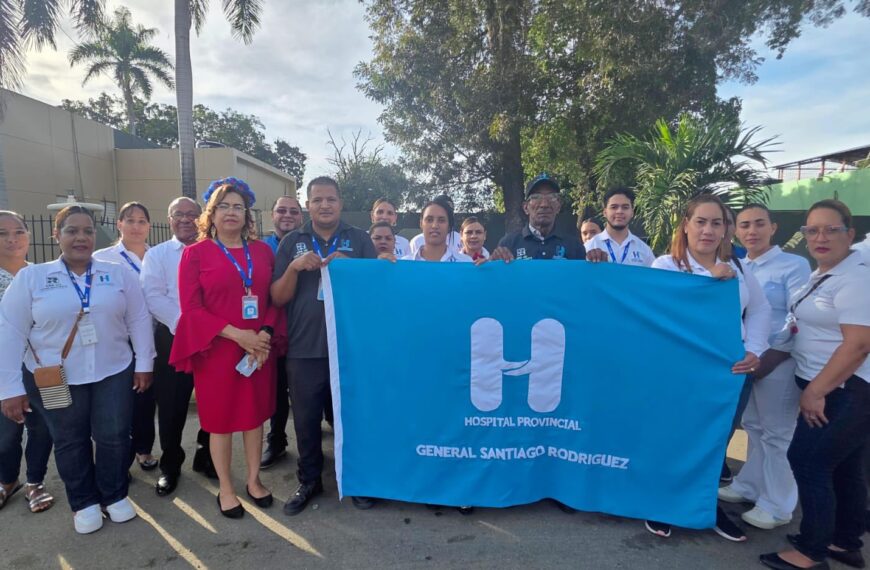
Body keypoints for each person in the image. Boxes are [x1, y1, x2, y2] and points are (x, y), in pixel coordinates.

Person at [0, 205, 155, 534]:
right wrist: (9, 388)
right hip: (56, 376)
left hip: (113, 370)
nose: (81, 237)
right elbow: (10, 332)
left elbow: (139, 318)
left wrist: (144, 362)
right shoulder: (33, 278)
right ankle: (83, 501)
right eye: (72, 231)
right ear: (56, 236)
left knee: (113, 436)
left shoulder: (117, 272)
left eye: (87, 231)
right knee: (70, 440)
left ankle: (113, 494)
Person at [648, 193, 771, 542]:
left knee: (716, 443)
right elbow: (664, 316)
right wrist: (711, 283)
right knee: (675, 438)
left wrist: (755, 350)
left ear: (725, 229)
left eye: (716, 222)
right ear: (685, 226)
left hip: (731, 372)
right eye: (700, 221)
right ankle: (662, 503)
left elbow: (760, 310)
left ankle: (706, 507)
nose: (708, 230)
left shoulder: (741, 265)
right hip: (681, 374)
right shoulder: (666, 266)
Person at [756, 200, 870, 570]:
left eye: (831, 230)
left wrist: (816, 390)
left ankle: (811, 551)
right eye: (812, 230)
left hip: (844, 389)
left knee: (807, 462)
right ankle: (844, 542)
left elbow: (859, 344)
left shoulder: (857, 278)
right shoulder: (824, 273)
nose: (820, 237)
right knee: (845, 467)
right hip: (833, 384)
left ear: (850, 234)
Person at [170, 179, 281, 518]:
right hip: (216, 351)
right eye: (224, 206)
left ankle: (253, 480)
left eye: (238, 207)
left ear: (247, 214)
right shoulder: (195, 254)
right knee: (219, 423)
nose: (231, 212)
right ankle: (227, 489)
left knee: (254, 417)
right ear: (212, 214)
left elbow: (274, 300)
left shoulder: (262, 251)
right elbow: (192, 309)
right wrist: (238, 335)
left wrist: (262, 334)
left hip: (258, 351)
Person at [271, 176, 377, 516]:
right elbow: (277, 297)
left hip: (349, 348)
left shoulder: (360, 240)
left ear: (340, 203)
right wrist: (293, 268)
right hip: (304, 349)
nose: (325, 205)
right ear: (308, 204)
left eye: (330, 199)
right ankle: (310, 480)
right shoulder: (292, 242)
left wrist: (355, 271)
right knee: (305, 420)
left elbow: (377, 296)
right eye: (317, 200)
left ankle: (359, 479)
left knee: (353, 417)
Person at [717, 204, 811, 530]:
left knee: (778, 434)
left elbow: (798, 315)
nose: (751, 231)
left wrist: (774, 355)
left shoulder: (793, 265)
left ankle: (777, 505)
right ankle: (749, 484)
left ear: (773, 227)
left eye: (759, 224)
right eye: (744, 225)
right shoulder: (739, 265)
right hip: (748, 360)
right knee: (754, 426)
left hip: (778, 361)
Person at [141, 197, 215, 497]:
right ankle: (170, 465)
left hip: (213, 336)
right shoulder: (157, 255)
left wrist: (205, 327)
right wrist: (187, 325)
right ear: (169, 219)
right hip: (174, 336)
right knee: (171, 407)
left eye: (192, 214)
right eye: (178, 215)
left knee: (212, 400)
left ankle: (206, 454)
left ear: (201, 218)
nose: (185, 219)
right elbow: (153, 295)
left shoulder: (214, 250)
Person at [93, 202, 157, 472]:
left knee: (146, 399)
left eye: (142, 221)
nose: (136, 226)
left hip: (155, 336)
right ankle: (120, 459)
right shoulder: (103, 258)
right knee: (119, 402)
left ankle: (144, 449)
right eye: (130, 220)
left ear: (149, 227)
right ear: (119, 225)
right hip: (118, 338)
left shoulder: (157, 256)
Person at [0, 211, 54, 514]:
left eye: (18, 231)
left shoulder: (42, 275)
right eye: (2, 233)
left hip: (40, 367)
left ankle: (35, 481)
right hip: (4, 367)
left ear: (29, 236)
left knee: (41, 428)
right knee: (6, 433)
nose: (12, 239)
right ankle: (7, 480)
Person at [261, 195, 305, 470]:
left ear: (301, 216)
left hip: (304, 329)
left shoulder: (311, 243)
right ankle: (276, 440)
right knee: (275, 391)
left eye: (293, 211)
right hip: (271, 330)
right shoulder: (260, 248)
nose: (287, 215)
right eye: (281, 210)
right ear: (272, 215)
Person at [489, 174, 587, 262]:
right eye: (536, 197)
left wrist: (598, 262)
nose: (544, 204)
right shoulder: (509, 244)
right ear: (525, 207)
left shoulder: (574, 246)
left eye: (551, 197)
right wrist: (491, 265)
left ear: (558, 207)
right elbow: (498, 280)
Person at [585, 187, 655, 267]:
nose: (619, 211)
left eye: (625, 207)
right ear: (605, 212)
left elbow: (654, 278)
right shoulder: (590, 247)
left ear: (632, 212)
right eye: (614, 207)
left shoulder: (644, 250)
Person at [401, 198, 472, 262]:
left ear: (449, 226)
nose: (435, 225)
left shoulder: (465, 263)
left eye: (441, 220)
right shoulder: (404, 264)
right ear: (421, 223)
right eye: (429, 220)